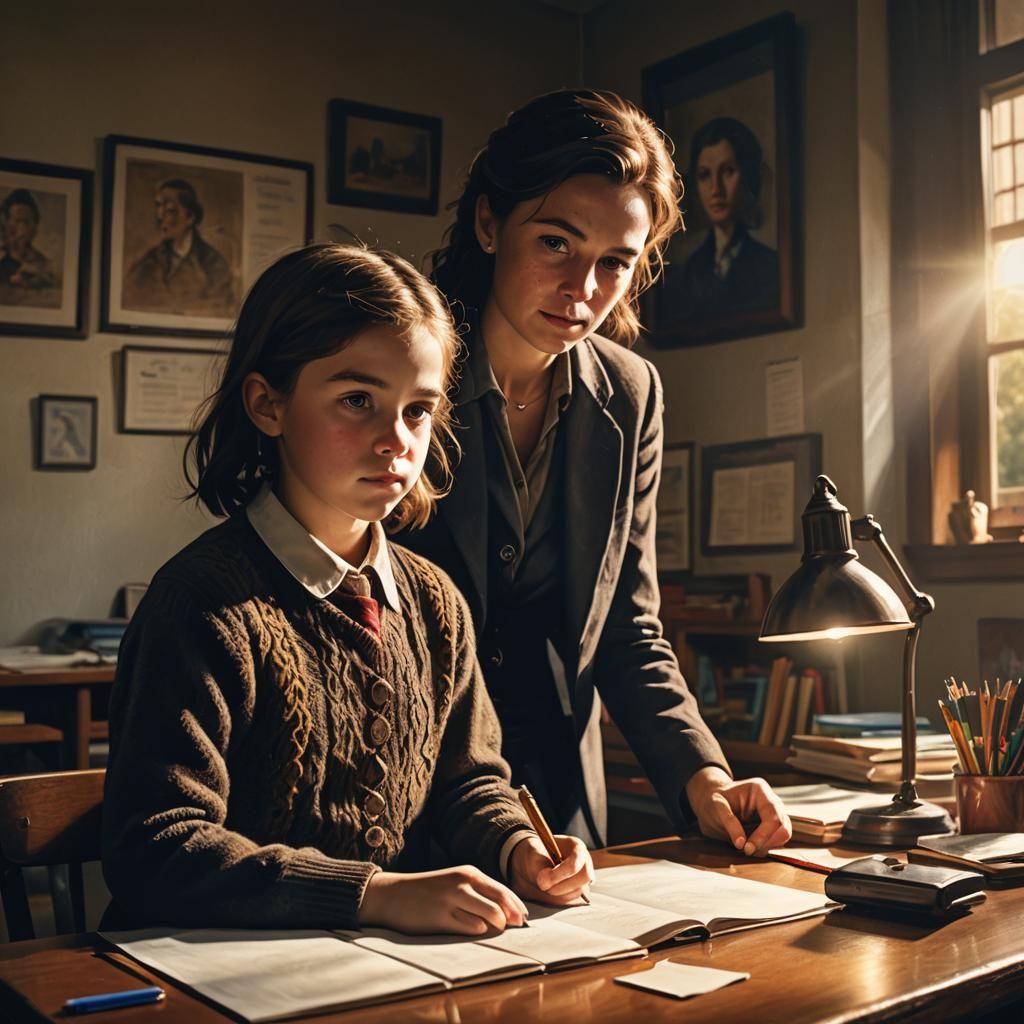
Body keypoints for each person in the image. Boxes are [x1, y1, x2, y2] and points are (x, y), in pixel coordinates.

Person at [102, 242, 592, 935]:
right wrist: (373, 894)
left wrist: (518, 850)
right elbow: (158, 846)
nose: (396, 439)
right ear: (267, 405)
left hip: (384, 970)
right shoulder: (202, 604)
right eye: (357, 400)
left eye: (418, 410)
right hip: (213, 980)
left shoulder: (435, 604)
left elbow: (469, 783)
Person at [398, 89, 791, 855]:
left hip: (559, 803)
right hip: (407, 794)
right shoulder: (399, 369)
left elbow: (627, 627)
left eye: (615, 261)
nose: (583, 289)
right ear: (489, 223)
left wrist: (705, 776)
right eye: (555, 244)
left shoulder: (632, 394)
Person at [661, 117, 780, 323]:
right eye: (705, 175)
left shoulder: (772, 269)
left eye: (728, 172)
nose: (716, 189)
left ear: (747, 177)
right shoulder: (683, 277)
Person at [123, 177, 235, 315]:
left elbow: (222, 310)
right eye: (158, 206)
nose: (159, 216)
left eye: (170, 210)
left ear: (190, 217)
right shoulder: (147, 263)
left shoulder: (214, 265)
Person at [0, 188, 57, 299]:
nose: (22, 229)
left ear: (35, 226)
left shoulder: (45, 267)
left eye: (26, 222)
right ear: (6, 224)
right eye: (17, 221)